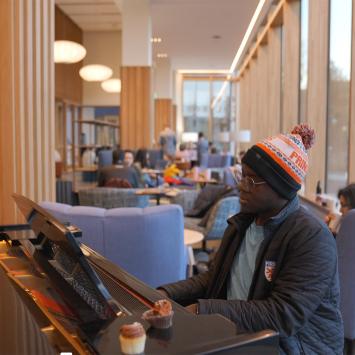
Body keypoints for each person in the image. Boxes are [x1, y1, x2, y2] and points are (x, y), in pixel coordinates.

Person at [158, 124, 343, 354]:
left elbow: (282, 315)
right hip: (244, 334)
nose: (241, 187)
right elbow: (213, 279)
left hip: (291, 345)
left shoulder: (312, 238)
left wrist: (202, 310)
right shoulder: (242, 224)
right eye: (241, 176)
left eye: (251, 181)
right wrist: (165, 295)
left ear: (281, 188)